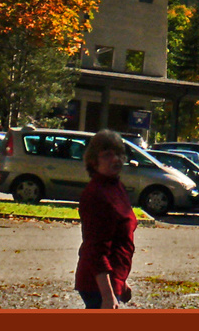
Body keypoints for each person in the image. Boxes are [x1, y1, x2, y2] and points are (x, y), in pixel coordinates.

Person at [75, 129, 136, 309]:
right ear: (94, 161)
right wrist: (108, 296)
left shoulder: (115, 186)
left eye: (118, 154)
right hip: (96, 284)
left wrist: (121, 281)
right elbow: (96, 249)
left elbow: (120, 238)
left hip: (112, 279)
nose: (116, 159)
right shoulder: (96, 194)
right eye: (107, 155)